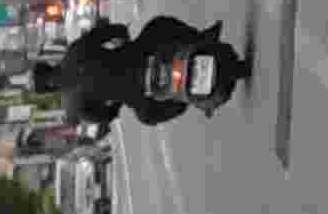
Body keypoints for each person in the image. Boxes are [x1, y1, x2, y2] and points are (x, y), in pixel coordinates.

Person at [34, 10, 250, 130]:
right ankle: (201, 38)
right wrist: (121, 32)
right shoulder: (73, 53)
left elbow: (106, 115)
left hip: (139, 94)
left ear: (50, 90)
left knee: (149, 117)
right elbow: (105, 33)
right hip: (139, 53)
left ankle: (191, 100)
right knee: (159, 25)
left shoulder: (73, 105)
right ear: (49, 65)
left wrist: (116, 100)